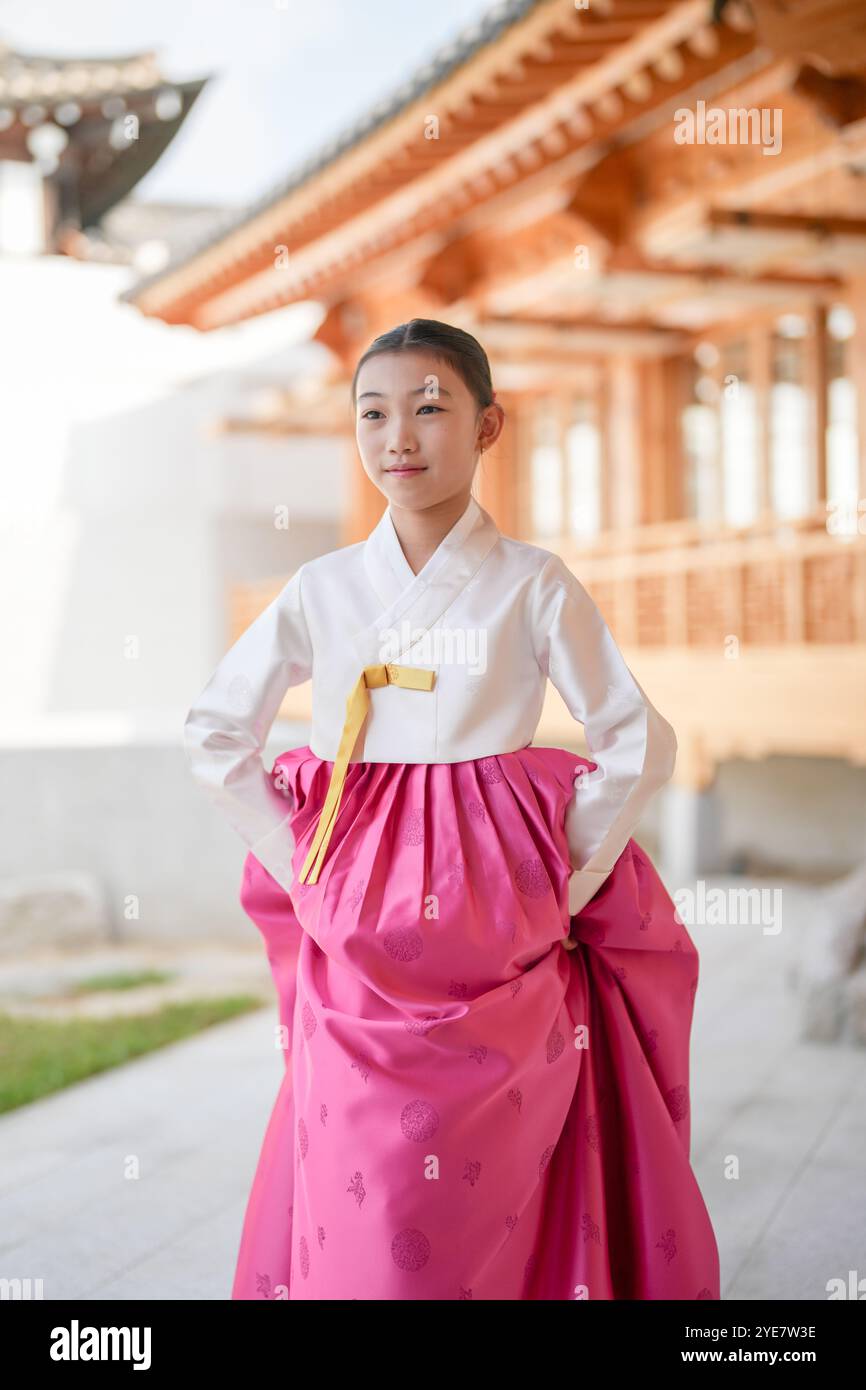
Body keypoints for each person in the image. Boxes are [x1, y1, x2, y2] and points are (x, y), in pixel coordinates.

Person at [183, 318, 720, 1301]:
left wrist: (565, 872)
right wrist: (303, 868)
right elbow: (217, 732)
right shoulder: (322, 587)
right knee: (362, 1171)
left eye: (430, 407)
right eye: (373, 412)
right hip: (355, 904)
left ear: (486, 425)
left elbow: (636, 739)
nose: (399, 435)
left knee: (509, 1163)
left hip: (496, 897)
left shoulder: (532, 582)